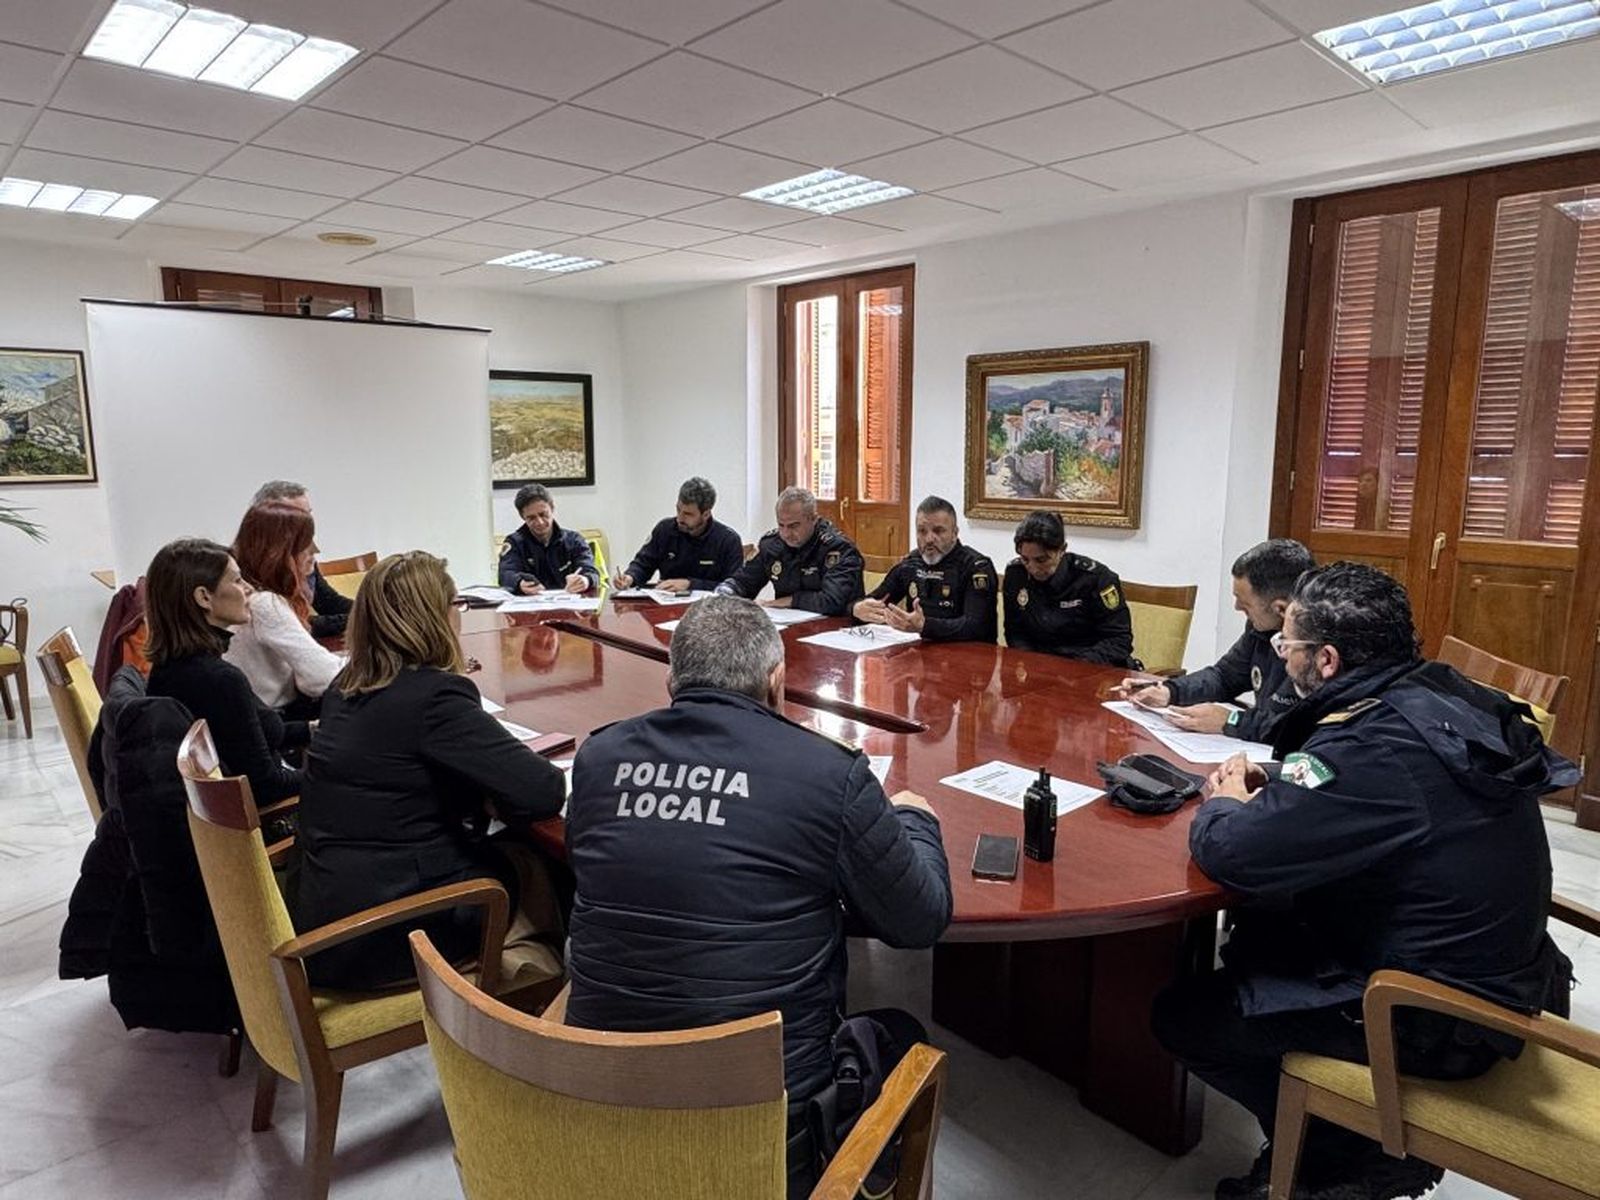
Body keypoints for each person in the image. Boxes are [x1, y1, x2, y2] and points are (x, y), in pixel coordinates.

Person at [1152, 562, 1578, 1200]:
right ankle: (1328, 1143)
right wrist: (1299, 796)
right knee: (1258, 929)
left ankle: (1342, 1153)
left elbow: (1233, 854)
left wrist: (1223, 801)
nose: (1278, 654)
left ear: (1325, 660)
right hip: (1501, 974)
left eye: (1285, 644)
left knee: (1184, 1016)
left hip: (1433, 1014)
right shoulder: (1439, 693)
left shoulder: (1371, 746)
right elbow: (1379, 804)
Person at [564, 595, 952, 1196]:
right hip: (768, 1139)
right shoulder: (831, 775)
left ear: (672, 678)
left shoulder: (597, 757)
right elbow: (920, 919)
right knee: (900, 1028)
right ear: (776, 681)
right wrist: (916, 820)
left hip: (604, 1098)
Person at [295, 551, 568, 990]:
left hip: (332, 911)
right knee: (546, 860)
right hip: (388, 931)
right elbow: (543, 791)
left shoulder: (347, 686)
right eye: (455, 605)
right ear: (435, 617)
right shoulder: (434, 697)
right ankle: (532, 1006)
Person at [143, 538, 302, 804]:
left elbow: (249, 736)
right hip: (269, 822)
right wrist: (343, 771)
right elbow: (265, 786)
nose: (249, 588)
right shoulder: (219, 680)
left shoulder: (170, 668)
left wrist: (316, 728)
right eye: (238, 581)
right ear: (204, 597)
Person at [1113, 538, 1313, 740]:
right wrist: (1170, 691)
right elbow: (1224, 677)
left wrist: (1232, 720)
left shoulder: (1318, 648)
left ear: (1280, 609)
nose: (1236, 607)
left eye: (1245, 603)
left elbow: (1302, 729)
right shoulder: (1260, 628)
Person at [224, 502, 343, 718]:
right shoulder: (264, 604)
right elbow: (321, 679)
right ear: (278, 552)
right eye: (306, 542)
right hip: (282, 723)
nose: (315, 550)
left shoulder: (257, 596)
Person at [852, 495, 997, 643]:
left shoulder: (976, 567)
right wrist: (856, 609)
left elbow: (976, 627)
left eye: (938, 531)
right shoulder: (910, 564)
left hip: (969, 657)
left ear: (955, 533)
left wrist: (925, 626)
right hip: (921, 653)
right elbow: (877, 600)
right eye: (922, 531)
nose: (929, 539)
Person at [1001, 510, 1135, 665]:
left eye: (1042, 560)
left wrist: (1076, 666)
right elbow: (1015, 631)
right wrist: (1031, 662)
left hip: (1090, 666)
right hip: (1040, 667)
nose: (1033, 568)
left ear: (1062, 550)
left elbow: (1119, 639)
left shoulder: (1096, 579)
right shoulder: (1016, 574)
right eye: (1025, 559)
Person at [716, 486, 863, 615]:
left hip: (835, 630)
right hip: (788, 624)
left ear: (814, 519)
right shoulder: (772, 545)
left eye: (793, 526)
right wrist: (727, 590)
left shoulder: (837, 548)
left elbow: (833, 601)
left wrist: (789, 601)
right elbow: (744, 582)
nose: (785, 534)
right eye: (781, 525)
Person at [612, 476, 745, 594]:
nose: (679, 518)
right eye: (678, 509)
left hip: (708, 612)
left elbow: (734, 588)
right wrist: (630, 577)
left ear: (706, 514)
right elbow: (643, 564)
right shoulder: (664, 529)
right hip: (665, 606)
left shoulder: (728, 540)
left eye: (688, 514)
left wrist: (690, 584)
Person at [252, 479, 351, 638]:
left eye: (308, 515)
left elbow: (328, 602)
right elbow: (291, 624)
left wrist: (373, 609)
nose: (307, 524)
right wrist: (361, 617)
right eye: (297, 517)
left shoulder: (303, 553)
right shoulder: (250, 565)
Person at [497, 483, 600, 595]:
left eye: (543, 514)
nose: (539, 522)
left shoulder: (574, 540)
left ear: (552, 509)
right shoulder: (514, 543)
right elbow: (505, 575)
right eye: (531, 518)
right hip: (531, 608)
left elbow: (591, 572)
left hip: (570, 605)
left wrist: (585, 580)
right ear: (522, 517)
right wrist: (519, 583)